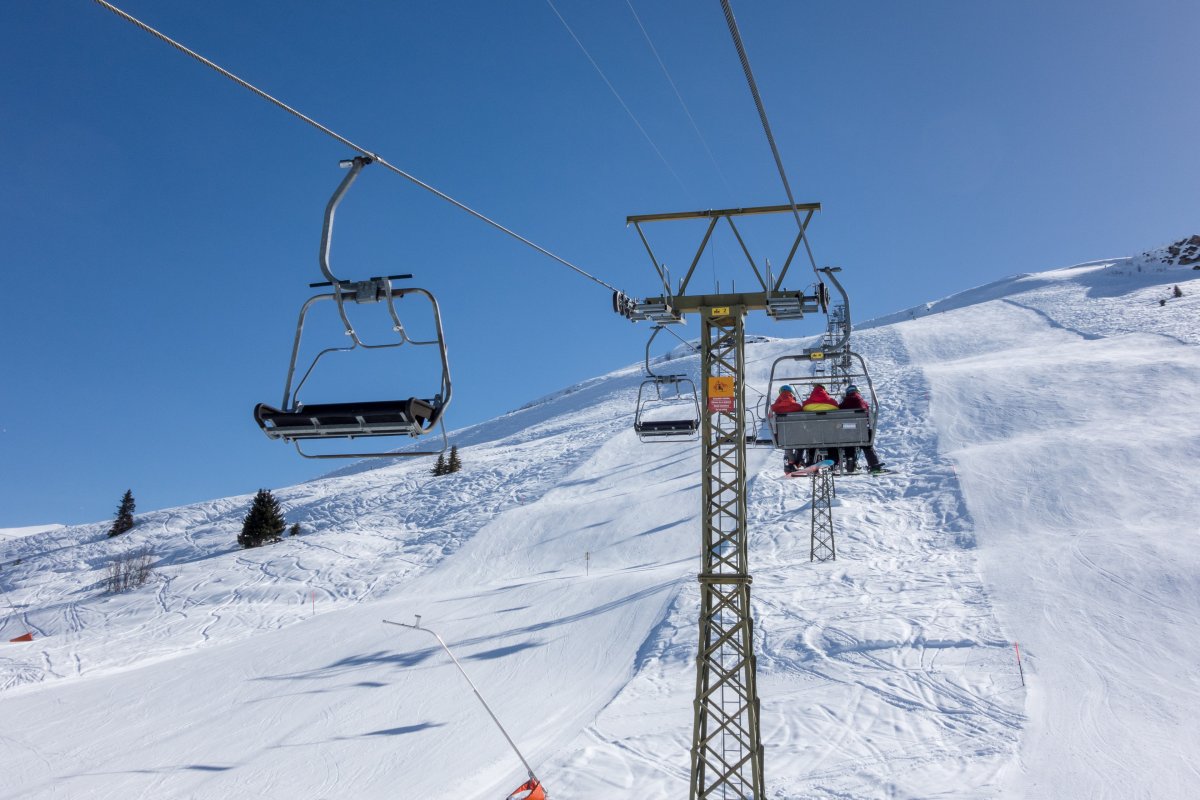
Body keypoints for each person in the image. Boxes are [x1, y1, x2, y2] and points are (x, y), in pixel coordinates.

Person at [838, 385, 887, 473]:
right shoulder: (862, 402)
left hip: (846, 433)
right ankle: (873, 464)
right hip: (861, 432)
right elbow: (868, 416)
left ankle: (850, 462)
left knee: (849, 443)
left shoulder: (843, 404)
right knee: (867, 445)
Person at [770, 385, 806, 472]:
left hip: (781, 436)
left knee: (787, 444)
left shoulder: (773, 408)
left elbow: (770, 419)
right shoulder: (797, 407)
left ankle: (789, 465)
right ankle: (798, 461)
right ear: (792, 394)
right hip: (797, 434)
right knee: (802, 443)